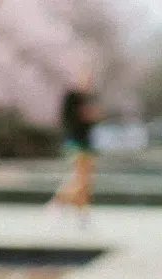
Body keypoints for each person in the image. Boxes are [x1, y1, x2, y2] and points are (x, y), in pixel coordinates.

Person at [48, 69, 101, 227]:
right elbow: (67, 118)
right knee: (80, 178)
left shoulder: (90, 98)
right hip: (75, 142)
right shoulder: (72, 97)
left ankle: (81, 212)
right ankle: (58, 201)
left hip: (87, 143)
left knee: (86, 180)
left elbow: (92, 121)